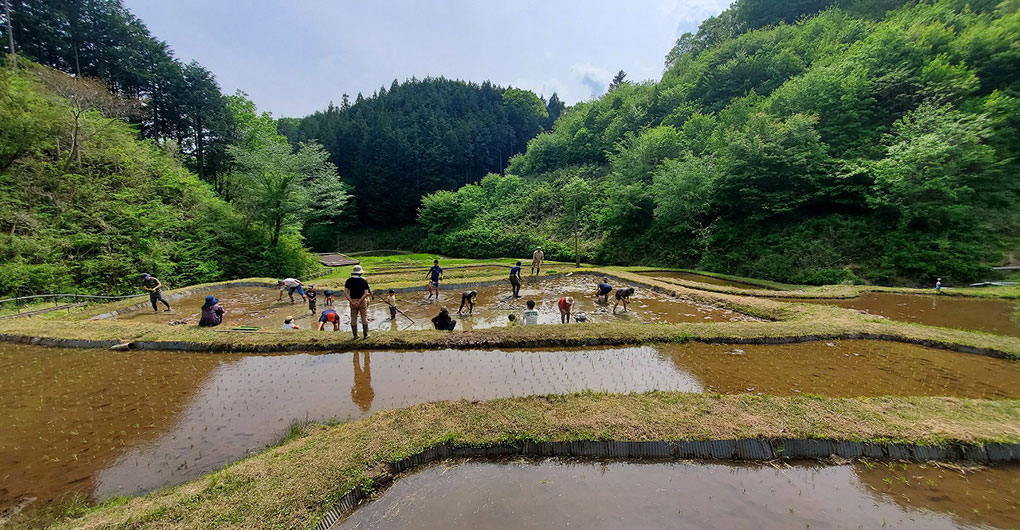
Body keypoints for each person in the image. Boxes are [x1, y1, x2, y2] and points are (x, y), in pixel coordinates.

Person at [345, 265, 372, 339]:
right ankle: (365, 335)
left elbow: (346, 293)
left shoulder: (349, 280)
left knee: (353, 318)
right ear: (360, 273)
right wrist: (360, 301)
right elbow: (366, 293)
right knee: (364, 317)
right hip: (362, 301)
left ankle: (355, 336)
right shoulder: (363, 280)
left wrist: (352, 301)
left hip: (352, 301)